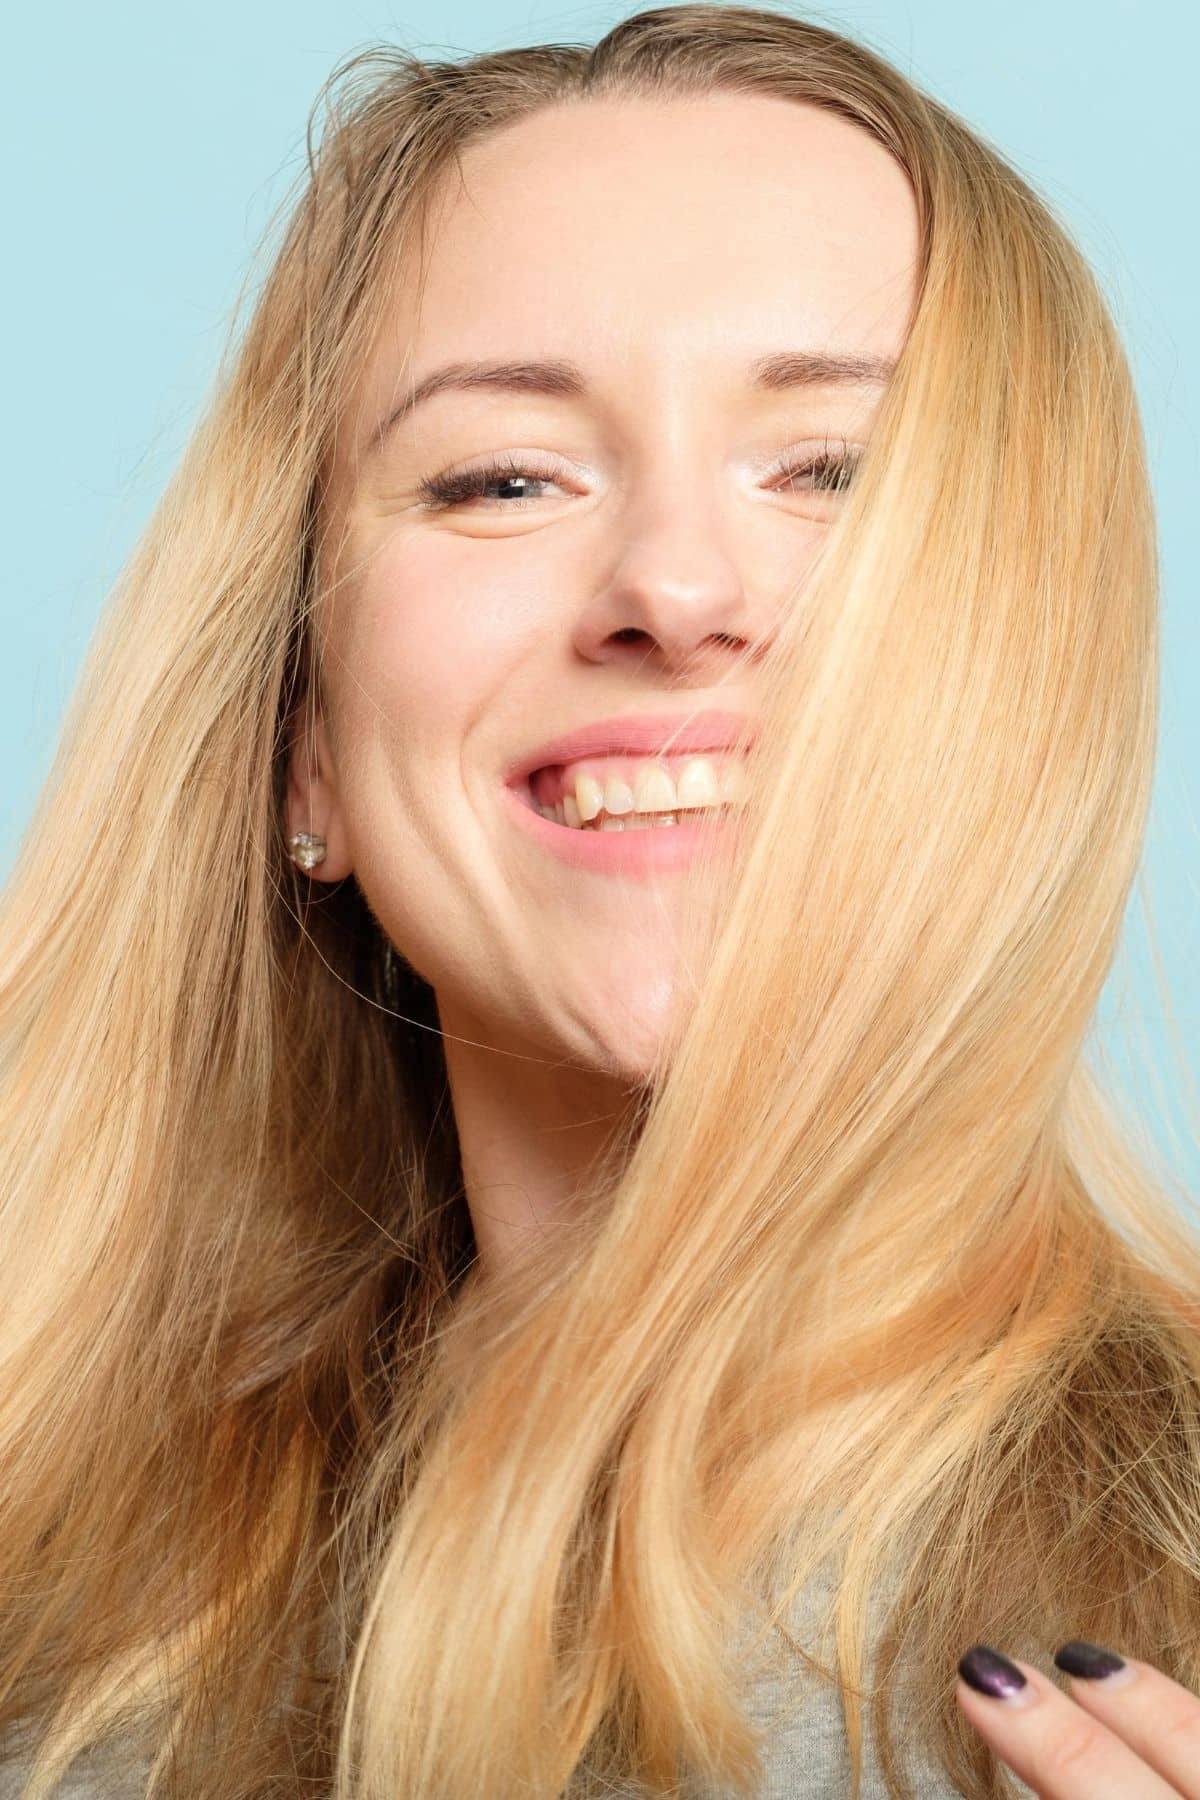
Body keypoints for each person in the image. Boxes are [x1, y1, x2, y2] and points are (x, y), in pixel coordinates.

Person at [1, 4, 1197, 1795]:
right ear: (304, 740)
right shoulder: (56, 1638)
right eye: (501, 478)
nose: (674, 584)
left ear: (1036, 665)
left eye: (831, 471)